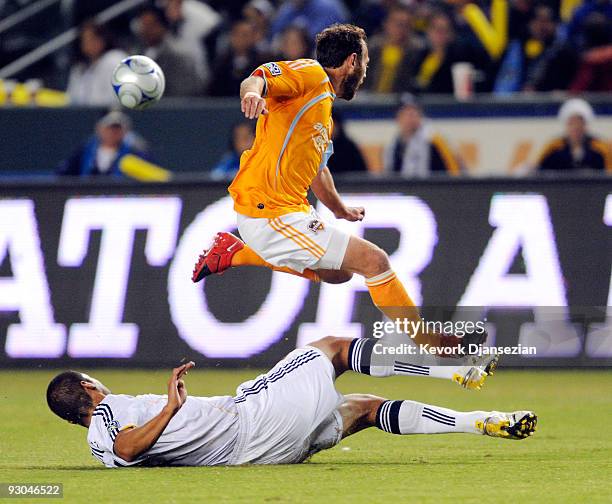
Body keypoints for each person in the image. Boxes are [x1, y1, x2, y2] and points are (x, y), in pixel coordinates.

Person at [192, 24, 483, 353]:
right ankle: (430, 342)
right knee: (375, 261)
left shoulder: (324, 114)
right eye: (366, 63)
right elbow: (259, 74)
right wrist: (251, 93)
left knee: (340, 274)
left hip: (288, 210)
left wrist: (338, 208)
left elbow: (318, 171)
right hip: (268, 209)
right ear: (352, 61)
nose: (365, 71)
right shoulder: (311, 74)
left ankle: (237, 252)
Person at [46, 335, 536, 468]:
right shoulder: (109, 414)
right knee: (333, 349)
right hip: (254, 419)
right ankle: (459, 370)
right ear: (89, 387)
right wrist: (171, 408)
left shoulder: (95, 447)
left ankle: (483, 421)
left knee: (364, 408)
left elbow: (125, 454)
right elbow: (131, 447)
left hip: (261, 455)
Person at [57, 111, 171, 181]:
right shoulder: (85, 151)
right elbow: (63, 175)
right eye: (110, 127)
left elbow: (157, 177)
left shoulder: (136, 154)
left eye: (117, 128)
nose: (113, 132)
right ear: (99, 128)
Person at [133, 6, 204, 97]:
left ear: (162, 26)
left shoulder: (178, 55)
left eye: (150, 25)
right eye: (143, 25)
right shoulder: (139, 52)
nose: (146, 30)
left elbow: (183, 92)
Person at [383, 98, 460, 177]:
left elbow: (454, 172)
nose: (410, 119)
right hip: (405, 188)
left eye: (413, 114)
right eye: (406, 114)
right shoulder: (394, 145)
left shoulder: (434, 139)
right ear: (398, 118)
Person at [536, 98, 612, 172]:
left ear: (585, 125)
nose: (575, 127)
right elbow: (538, 171)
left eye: (579, 123)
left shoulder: (600, 147)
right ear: (566, 125)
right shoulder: (553, 147)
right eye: (572, 123)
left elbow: (609, 172)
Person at [67, 21, 127, 106]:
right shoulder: (79, 68)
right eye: (84, 40)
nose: (87, 44)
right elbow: (71, 99)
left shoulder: (115, 59)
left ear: (102, 39)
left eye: (91, 39)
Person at [363, 5, 421, 94]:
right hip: (369, 99)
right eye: (398, 24)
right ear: (386, 24)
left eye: (406, 25)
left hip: (398, 103)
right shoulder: (372, 47)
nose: (402, 29)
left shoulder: (416, 52)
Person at [208, 19, 270, 97]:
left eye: (245, 35)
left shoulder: (262, 62)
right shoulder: (221, 62)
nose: (240, 39)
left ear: (253, 37)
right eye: (237, 34)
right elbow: (213, 89)